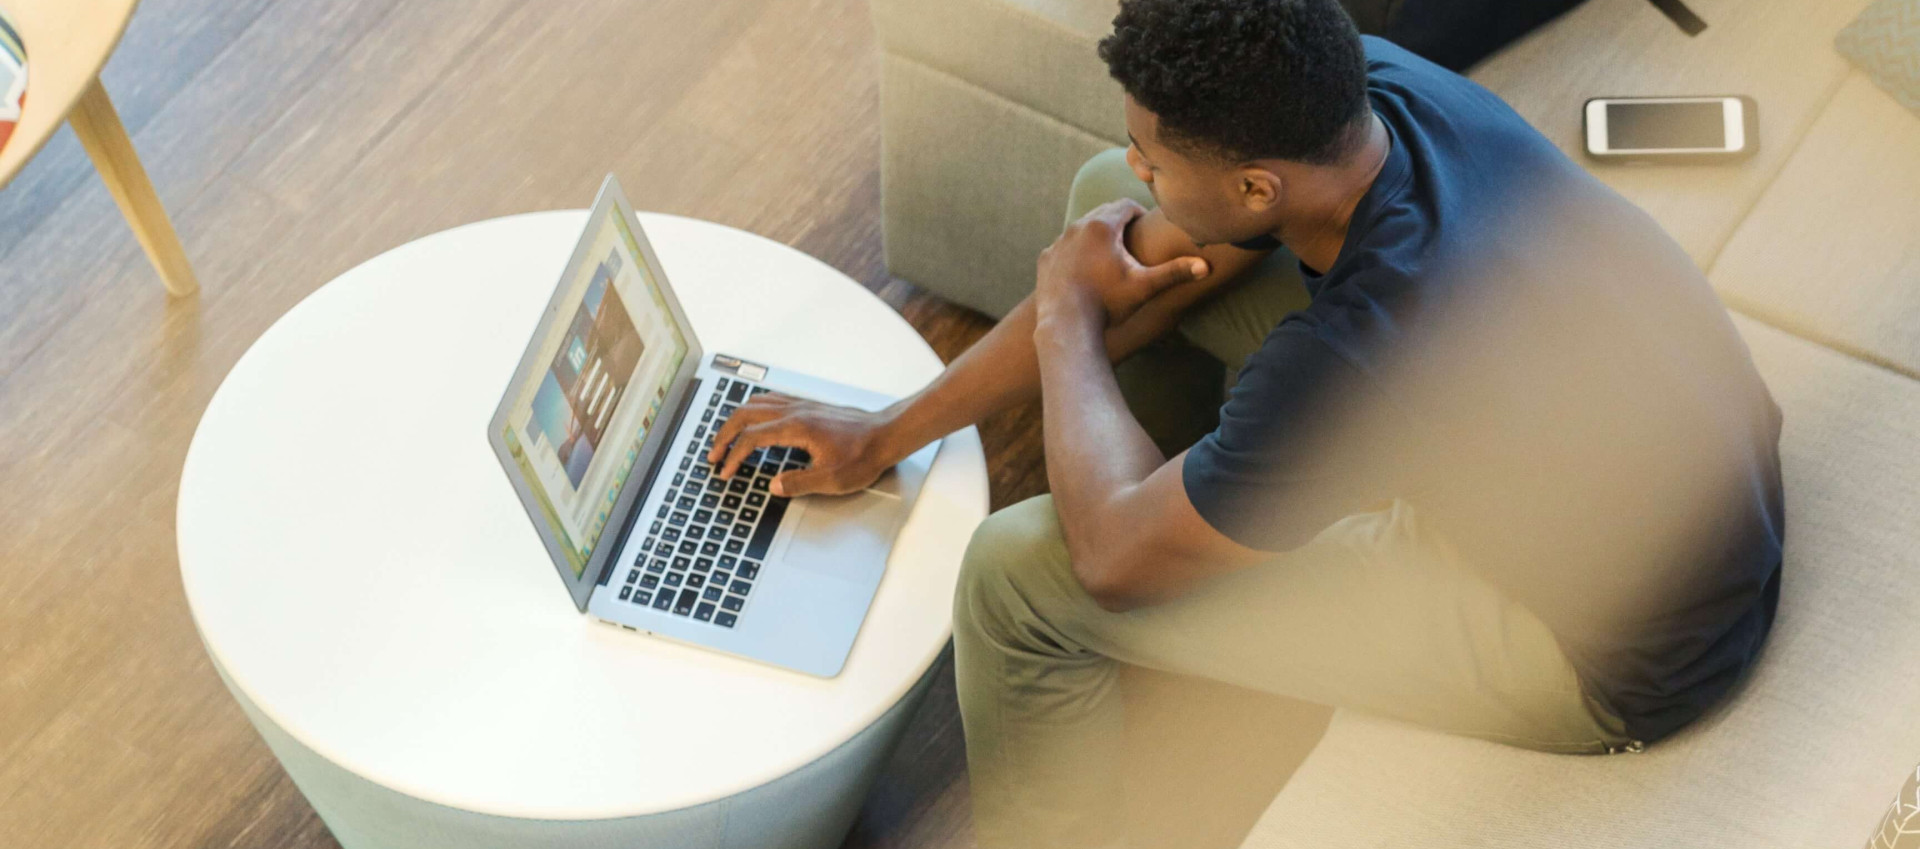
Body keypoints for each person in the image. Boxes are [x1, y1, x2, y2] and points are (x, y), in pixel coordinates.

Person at [706, 0, 1785, 846]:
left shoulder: (1370, 344)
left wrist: (1068, 325)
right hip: (1677, 477)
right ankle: (1201, 515)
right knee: (1117, 220)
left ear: (1262, 184)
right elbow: (1172, 241)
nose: (1140, 166)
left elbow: (1108, 562)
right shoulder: (1374, 92)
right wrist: (886, 430)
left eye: (1156, 155)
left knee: (1019, 575)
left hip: (1606, 646)